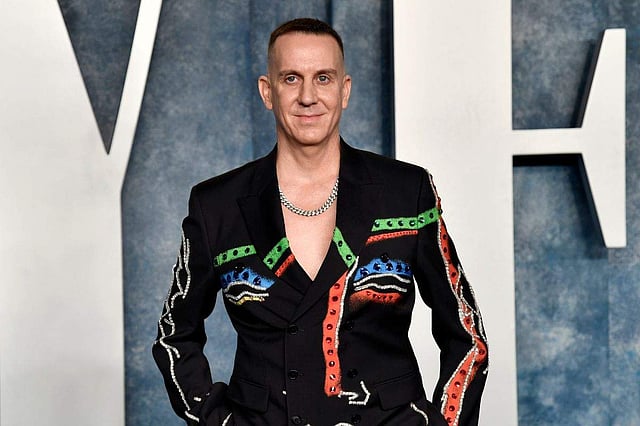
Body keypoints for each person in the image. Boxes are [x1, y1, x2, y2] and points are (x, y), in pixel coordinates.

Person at [153, 17, 488, 426]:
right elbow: (174, 333)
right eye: (291, 78)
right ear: (267, 92)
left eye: (323, 78)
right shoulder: (217, 205)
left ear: (344, 90)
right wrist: (218, 420)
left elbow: (466, 332)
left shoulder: (406, 190)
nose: (308, 96)